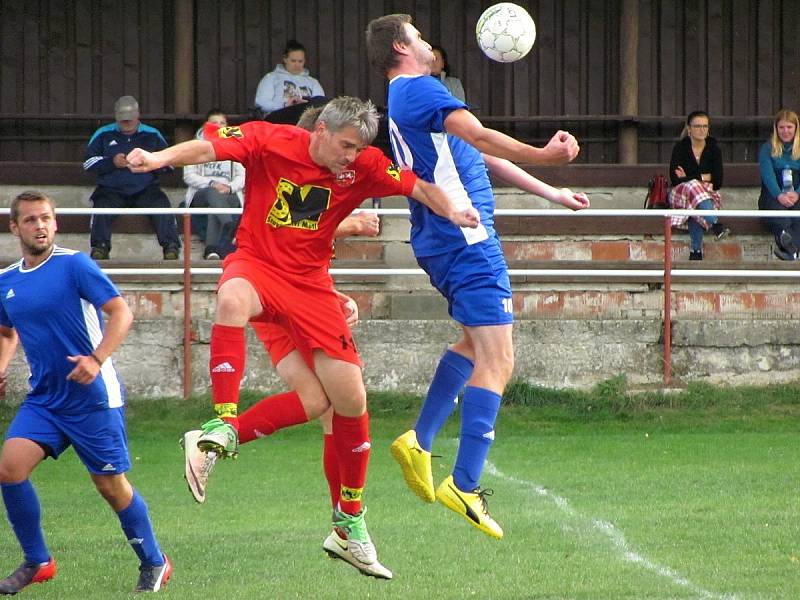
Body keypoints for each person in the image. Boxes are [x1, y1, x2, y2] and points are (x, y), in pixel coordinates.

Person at [126, 96, 479, 577]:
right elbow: (208, 150)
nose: (352, 156)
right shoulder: (271, 140)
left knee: (340, 401)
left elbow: (418, 187)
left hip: (311, 288)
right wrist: (158, 158)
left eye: (359, 148)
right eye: (346, 145)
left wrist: (455, 212)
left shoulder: (366, 167)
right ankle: (220, 422)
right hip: (259, 267)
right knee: (232, 298)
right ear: (321, 131)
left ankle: (349, 523)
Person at [366, 14, 588, 540]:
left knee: (471, 345)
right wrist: (545, 155)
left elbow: (478, 151)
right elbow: (483, 133)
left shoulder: (416, 99)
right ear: (402, 47)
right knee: (500, 359)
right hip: (466, 242)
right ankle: (464, 485)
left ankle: (419, 441)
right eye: (418, 35)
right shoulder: (419, 91)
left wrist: (551, 192)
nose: (428, 42)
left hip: (446, 240)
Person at [0, 190, 171, 594]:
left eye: (46, 218)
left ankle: (155, 561)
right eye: (30, 220)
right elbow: (7, 331)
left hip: (93, 398)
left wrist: (96, 359)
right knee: (9, 469)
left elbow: (120, 311)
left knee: (111, 487)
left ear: (56, 223)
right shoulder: (6, 281)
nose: (40, 226)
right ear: (14, 227)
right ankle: (38, 560)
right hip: (45, 399)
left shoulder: (75, 265)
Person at [82, 95, 181, 261]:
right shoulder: (103, 134)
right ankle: (100, 248)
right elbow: (88, 163)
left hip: (146, 188)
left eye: (130, 120)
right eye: (123, 121)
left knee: (161, 205)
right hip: (111, 189)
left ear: (138, 116)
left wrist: (150, 161)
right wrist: (111, 162)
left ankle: (171, 247)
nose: (127, 124)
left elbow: (171, 163)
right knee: (101, 205)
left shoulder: (152, 135)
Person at [668, 110, 730, 261]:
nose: (702, 130)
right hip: (680, 194)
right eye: (697, 126)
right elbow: (675, 179)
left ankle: (696, 252)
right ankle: (715, 224)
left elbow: (718, 180)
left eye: (705, 126)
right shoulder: (680, 148)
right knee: (693, 186)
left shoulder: (714, 149)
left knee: (694, 205)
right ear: (689, 128)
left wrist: (689, 177)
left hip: (706, 196)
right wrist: (703, 177)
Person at [183, 109, 245, 260]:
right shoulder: (195, 146)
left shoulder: (235, 146)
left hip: (228, 194)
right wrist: (212, 183)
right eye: (214, 122)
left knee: (215, 210)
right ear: (205, 125)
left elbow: (242, 175)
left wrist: (230, 187)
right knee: (212, 192)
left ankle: (211, 250)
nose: (218, 126)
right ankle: (229, 224)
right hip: (202, 193)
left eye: (222, 123)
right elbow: (188, 176)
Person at [758, 109, 800, 260]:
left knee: (798, 216)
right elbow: (767, 175)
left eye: (789, 127)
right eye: (781, 127)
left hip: (796, 192)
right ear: (776, 129)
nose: (785, 131)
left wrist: (797, 193)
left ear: (796, 128)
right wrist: (779, 195)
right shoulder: (767, 148)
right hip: (773, 193)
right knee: (778, 215)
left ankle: (789, 249)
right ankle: (791, 248)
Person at [254, 40, 329, 124]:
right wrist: (285, 105)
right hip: (279, 118)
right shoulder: (271, 78)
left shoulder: (312, 82)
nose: (297, 65)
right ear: (285, 59)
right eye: (293, 61)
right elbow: (261, 103)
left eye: (300, 61)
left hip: (305, 119)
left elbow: (321, 104)